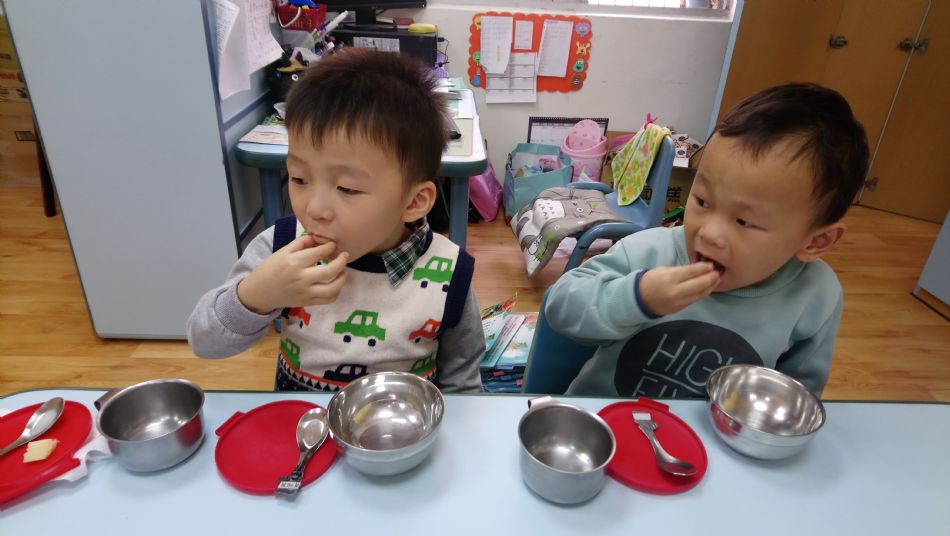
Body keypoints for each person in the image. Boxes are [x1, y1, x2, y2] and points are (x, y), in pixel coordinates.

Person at [544, 83, 869, 397]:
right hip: (604, 417)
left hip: (715, 432)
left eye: (744, 221)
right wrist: (638, 297)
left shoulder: (816, 295)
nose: (709, 233)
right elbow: (561, 306)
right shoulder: (648, 251)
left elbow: (797, 393)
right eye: (702, 201)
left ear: (815, 241)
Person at [187, 48, 484, 393]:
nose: (314, 209)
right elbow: (203, 341)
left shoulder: (449, 273)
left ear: (414, 202)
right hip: (302, 421)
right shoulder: (282, 247)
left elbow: (463, 385)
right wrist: (257, 295)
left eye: (347, 188)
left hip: (401, 424)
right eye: (299, 179)